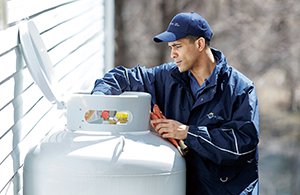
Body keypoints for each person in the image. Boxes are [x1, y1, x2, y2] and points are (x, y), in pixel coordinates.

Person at [92, 12, 259, 195]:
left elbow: (241, 145)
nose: (172, 54)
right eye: (171, 47)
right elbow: (122, 77)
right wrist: (98, 101)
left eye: (177, 46)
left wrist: (187, 132)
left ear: (200, 44)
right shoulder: (168, 77)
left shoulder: (240, 89)